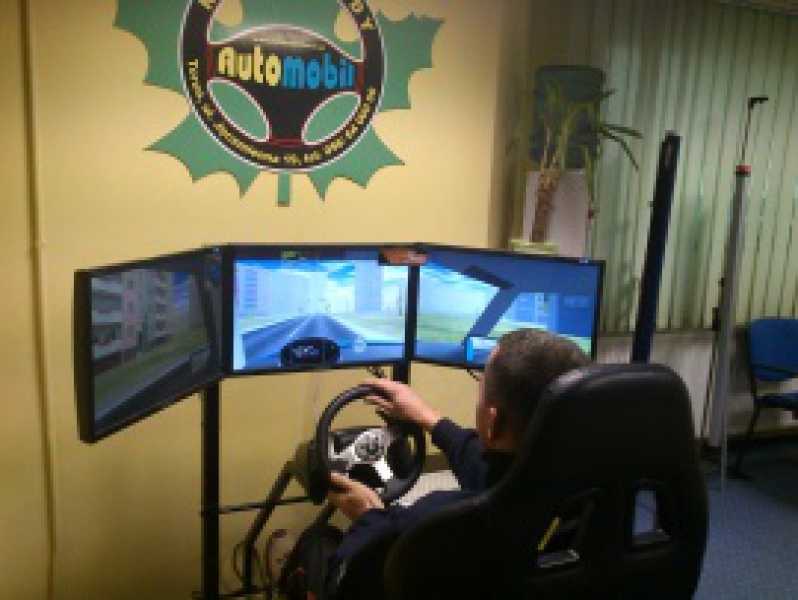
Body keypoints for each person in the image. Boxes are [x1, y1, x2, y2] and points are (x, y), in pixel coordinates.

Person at [278, 328, 590, 598]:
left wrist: (369, 517)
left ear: (492, 421)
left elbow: (343, 582)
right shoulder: (589, 490)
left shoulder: (436, 521)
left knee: (318, 541)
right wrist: (427, 417)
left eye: (481, 389)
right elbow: (490, 468)